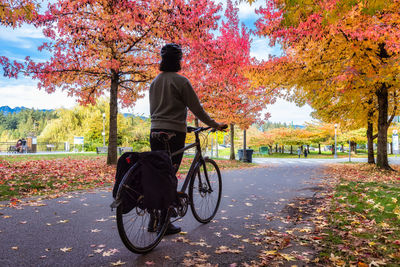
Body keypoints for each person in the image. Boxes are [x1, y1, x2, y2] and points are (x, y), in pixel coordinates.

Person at [149, 43, 227, 235]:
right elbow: (197, 109)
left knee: (160, 173)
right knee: (170, 173)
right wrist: (215, 124)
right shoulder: (181, 81)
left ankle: (154, 217)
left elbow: (159, 109)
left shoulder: (155, 82)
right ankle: (164, 222)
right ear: (179, 61)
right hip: (174, 133)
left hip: (155, 131)